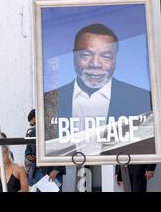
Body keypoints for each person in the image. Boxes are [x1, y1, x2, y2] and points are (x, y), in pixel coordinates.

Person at [44, 23, 154, 155]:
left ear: (115, 58)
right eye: (85, 55)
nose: (95, 64)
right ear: (74, 55)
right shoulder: (50, 100)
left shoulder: (141, 100)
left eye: (106, 57)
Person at [25, 109, 66, 188]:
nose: (34, 126)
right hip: (37, 172)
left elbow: (62, 151)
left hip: (52, 172)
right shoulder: (32, 133)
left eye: (35, 123)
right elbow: (27, 150)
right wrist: (30, 157)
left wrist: (56, 170)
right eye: (32, 124)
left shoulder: (54, 130)